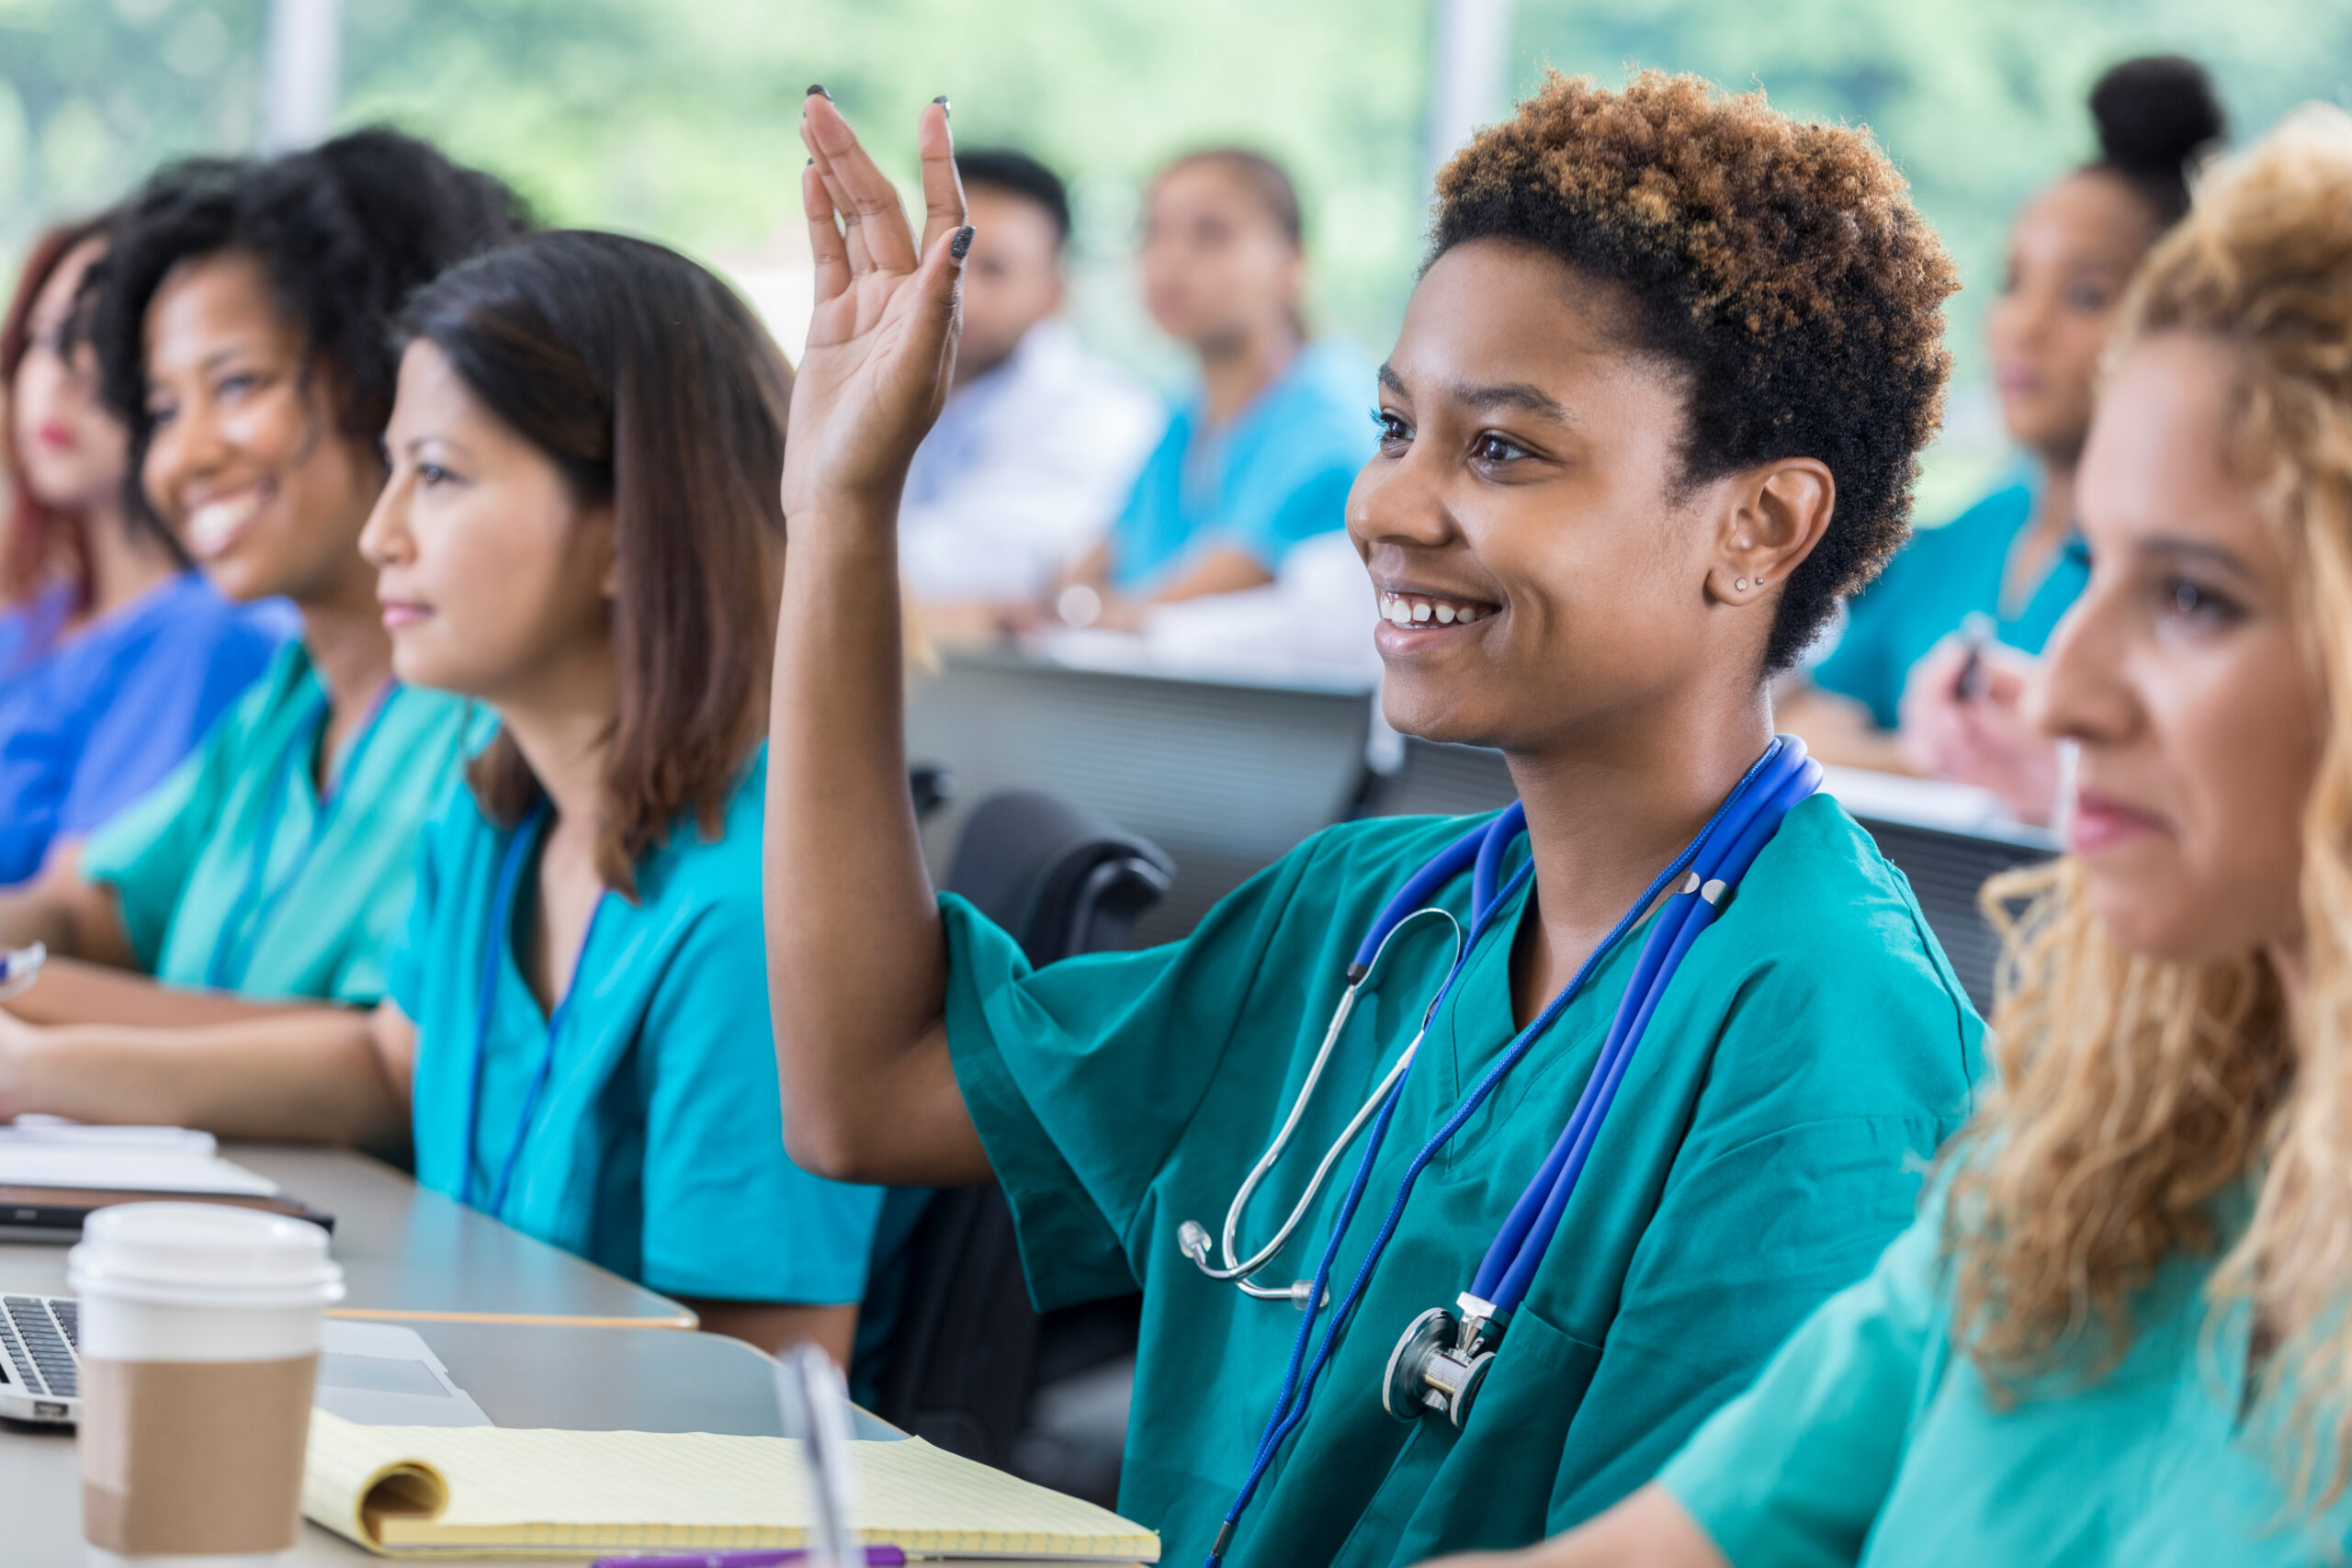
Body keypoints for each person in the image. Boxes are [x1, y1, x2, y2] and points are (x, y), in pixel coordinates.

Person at [768, 76, 1980, 1567]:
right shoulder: (1366, 914)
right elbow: (866, 1091)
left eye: (1502, 450)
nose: (1387, 508)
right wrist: (838, 508)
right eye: (1395, 425)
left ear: (1761, 525)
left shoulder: (1827, 1031)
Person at [1439, 106, 2352, 1568]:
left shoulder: (1836, 1001)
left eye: (2196, 599)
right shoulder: (2100, 1161)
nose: (2066, 689)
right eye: (2101, 562)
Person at [0, 231, 885, 1362]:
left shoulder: (745, 916)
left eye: (439, 475)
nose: (383, 535)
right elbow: (385, 1059)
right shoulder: (491, 829)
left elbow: (763, 1396)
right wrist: (31, 1069)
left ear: (630, 526)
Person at [0, 130, 525, 1027]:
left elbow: (387, 1065)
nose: (186, 455)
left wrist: (25, 1010)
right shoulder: (287, 712)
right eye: (163, 409)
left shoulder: (492, 724)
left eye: (237, 385)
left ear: (396, 378)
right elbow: (92, 907)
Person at [1781, 57, 2225, 824]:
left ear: (2180, 323)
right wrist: (1942, 762)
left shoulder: (2200, 581)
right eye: (2014, 282)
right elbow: (1791, 723)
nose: (2024, 325)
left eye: (2086, 294)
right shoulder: (1957, 543)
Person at [0, 215, 281, 885]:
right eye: (43, 338)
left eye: (99, 339)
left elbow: (87, 915)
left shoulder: (207, 632)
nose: (60, 376)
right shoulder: (35, 616)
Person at [1050, 146, 1367, 632]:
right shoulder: (1185, 417)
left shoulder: (1333, 412)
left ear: (1292, 264)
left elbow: (1186, 602)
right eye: (1152, 232)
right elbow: (1088, 568)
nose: (1170, 259)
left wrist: (1084, 612)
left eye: (1211, 233)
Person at [897, 147, 1159, 615]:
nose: (953, 291)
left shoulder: (1103, 416)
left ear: (1054, 293)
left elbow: (988, 564)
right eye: (940, 258)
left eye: (993, 269)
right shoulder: (900, 387)